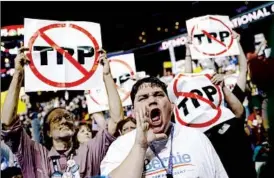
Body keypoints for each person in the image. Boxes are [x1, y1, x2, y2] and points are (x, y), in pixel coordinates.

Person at [1, 47, 124, 178]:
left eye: (67, 117)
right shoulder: (34, 154)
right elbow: (8, 123)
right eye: (56, 119)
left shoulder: (89, 151)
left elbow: (116, 121)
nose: (64, 121)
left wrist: (107, 76)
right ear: (48, 132)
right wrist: (18, 74)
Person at [100, 77, 228, 178]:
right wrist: (140, 146)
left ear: (171, 106)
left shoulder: (196, 138)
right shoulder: (120, 147)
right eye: (143, 98)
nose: (152, 101)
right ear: (133, 111)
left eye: (158, 95)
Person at [182, 31, 256, 178]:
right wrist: (188, 50)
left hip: (244, 168)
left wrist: (236, 43)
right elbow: (186, 80)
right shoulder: (202, 118)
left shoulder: (232, 96)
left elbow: (243, 70)